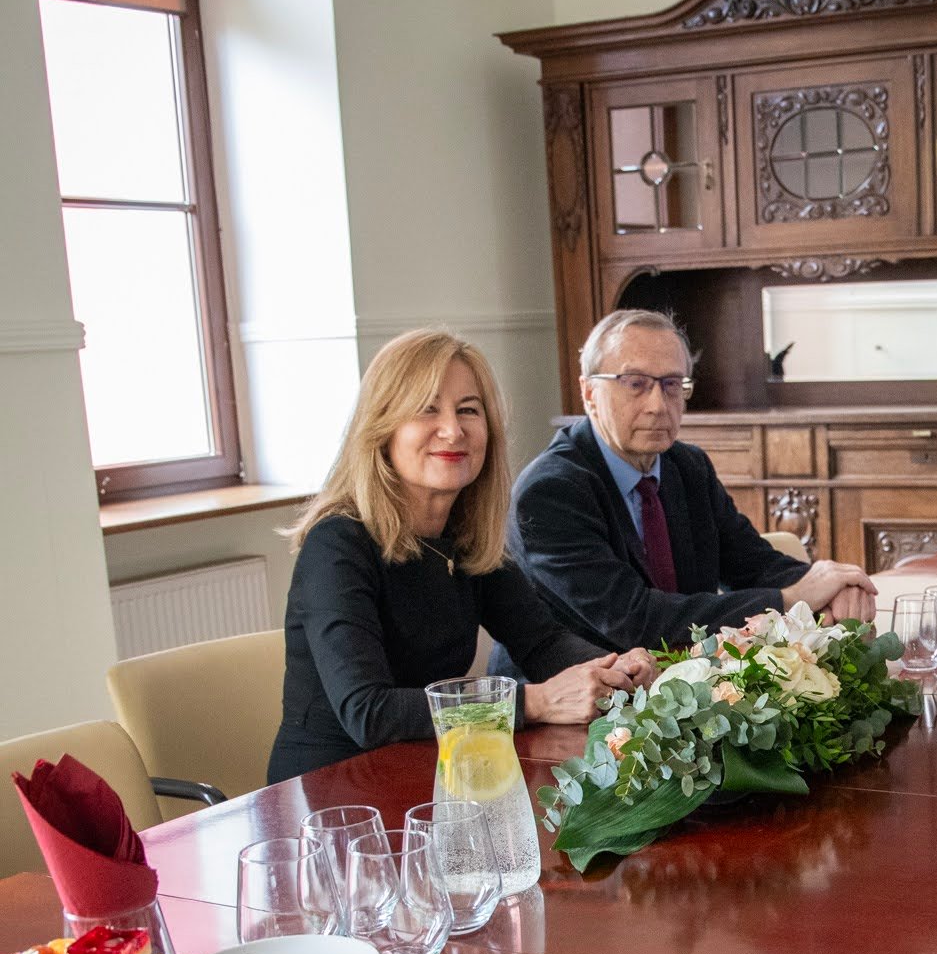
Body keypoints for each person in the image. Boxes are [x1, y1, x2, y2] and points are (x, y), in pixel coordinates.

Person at [270, 329, 657, 783]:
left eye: (469, 410)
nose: (453, 430)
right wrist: (533, 702)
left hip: (432, 769)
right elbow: (368, 712)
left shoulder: (465, 534)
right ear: (382, 428)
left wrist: (615, 669)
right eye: (427, 409)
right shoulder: (336, 542)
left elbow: (542, 642)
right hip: (330, 792)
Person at [499, 310, 877, 668]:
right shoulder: (550, 491)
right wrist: (790, 599)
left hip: (689, 683)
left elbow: (753, 564)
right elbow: (634, 618)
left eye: (672, 385)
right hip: (579, 694)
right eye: (635, 384)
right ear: (589, 393)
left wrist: (835, 585)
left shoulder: (687, 466)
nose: (658, 405)